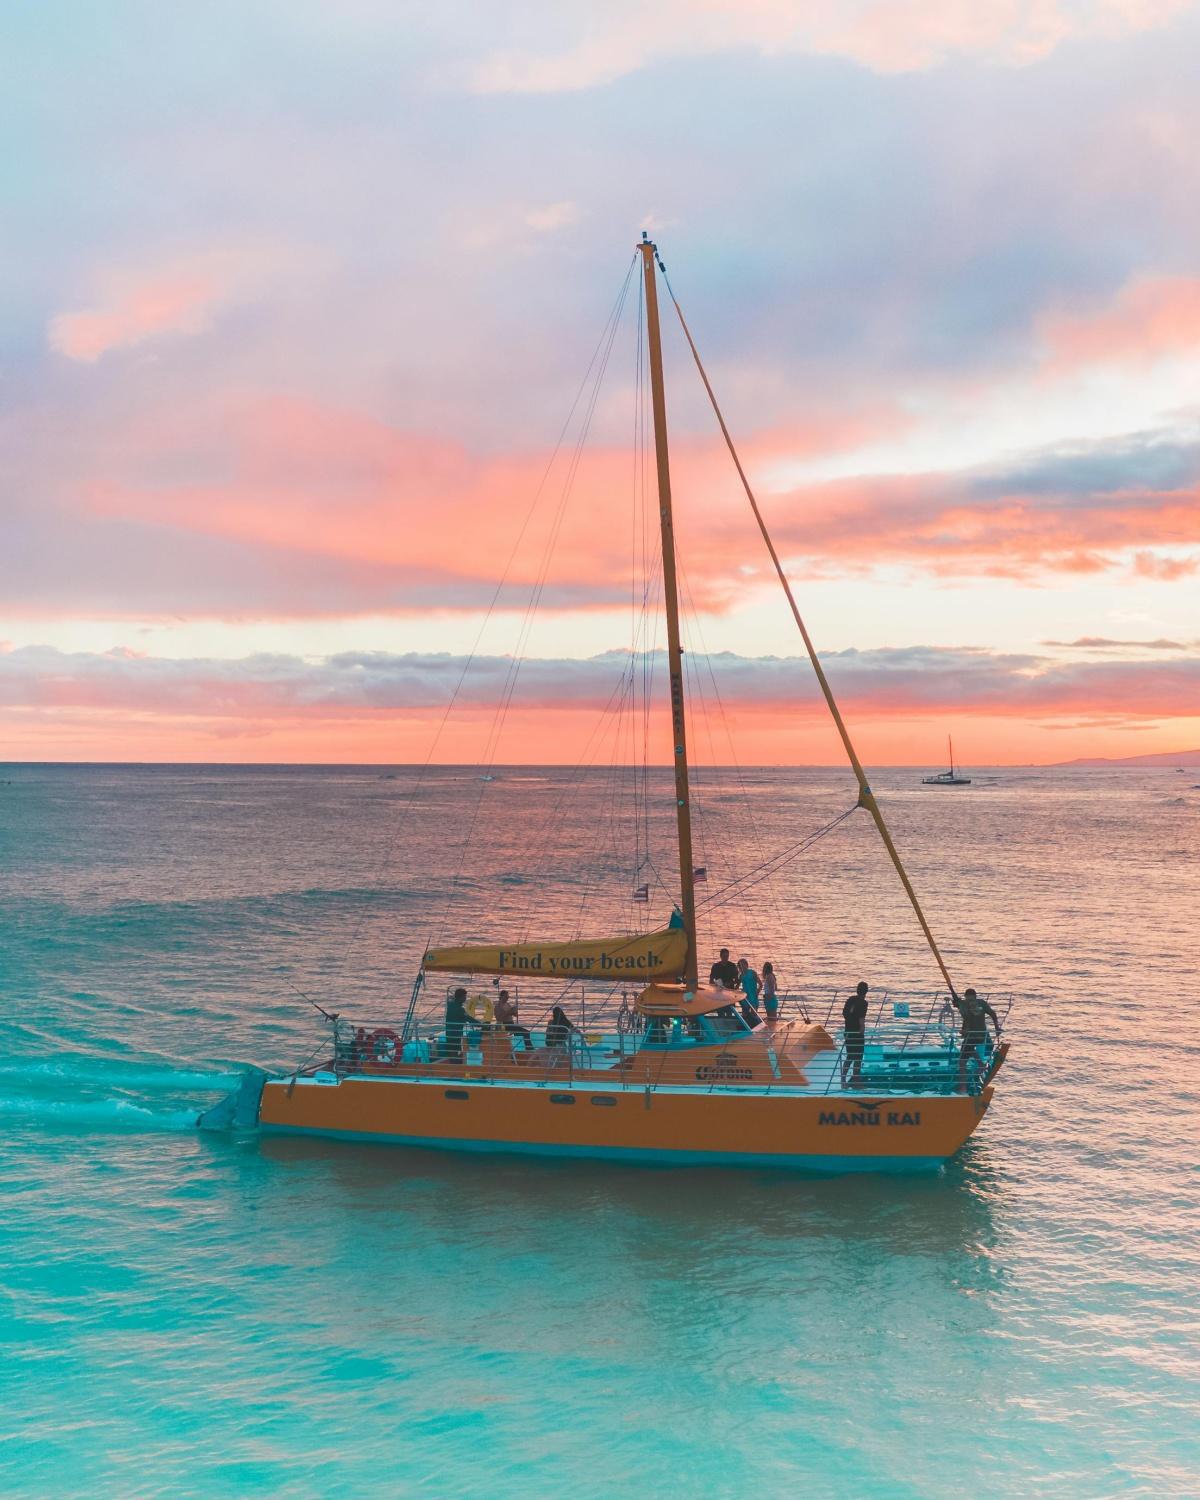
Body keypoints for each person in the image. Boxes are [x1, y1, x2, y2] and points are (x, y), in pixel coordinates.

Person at [953, 987, 1000, 1093]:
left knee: (962, 1063)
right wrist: (996, 1027)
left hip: (972, 1036)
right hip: (981, 1036)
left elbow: (961, 1007)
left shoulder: (965, 1004)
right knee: (969, 1049)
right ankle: (981, 1064)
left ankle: (963, 1087)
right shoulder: (981, 1003)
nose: (970, 1001)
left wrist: (957, 1003)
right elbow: (992, 1014)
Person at [841, 981, 869, 1085]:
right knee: (858, 1057)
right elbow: (861, 1020)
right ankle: (856, 1080)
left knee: (850, 1056)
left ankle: (843, 1080)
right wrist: (862, 1031)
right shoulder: (863, 1003)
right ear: (866, 992)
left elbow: (845, 1014)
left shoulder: (850, 1000)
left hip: (848, 1032)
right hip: (857, 1034)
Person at [443, 987, 473, 1059]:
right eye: (464, 996)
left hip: (449, 1033)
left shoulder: (450, 1004)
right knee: (456, 1051)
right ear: (461, 997)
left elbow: (449, 999)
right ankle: (456, 1063)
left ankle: (453, 1062)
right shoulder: (460, 1009)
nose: (465, 998)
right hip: (456, 1034)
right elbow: (469, 1019)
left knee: (451, 1051)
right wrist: (481, 1024)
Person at [736, 957, 761, 1027]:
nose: (742, 967)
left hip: (753, 997)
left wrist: (757, 993)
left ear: (746, 965)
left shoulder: (752, 973)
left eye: (743, 965)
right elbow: (737, 986)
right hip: (745, 997)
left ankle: (755, 1028)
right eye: (740, 966)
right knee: (745, 1015)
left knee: (754, 1015)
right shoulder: (741, 975)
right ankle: (746, 1028)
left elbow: (760, 984)